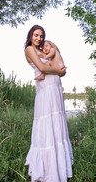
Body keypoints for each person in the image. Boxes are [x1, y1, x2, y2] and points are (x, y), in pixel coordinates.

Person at [24, 25, 73, 182]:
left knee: (57, 124)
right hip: (45, 90)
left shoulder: (48, 48)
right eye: (36, 35)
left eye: (41, 36)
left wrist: (59, 67)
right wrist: (58, 70)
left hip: (55, 88)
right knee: (46, 124)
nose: (39, 38)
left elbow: (63, 68)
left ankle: (59, 167)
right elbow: (42, 67)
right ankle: (46, 169)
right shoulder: (30, 50)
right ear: (31, 36)